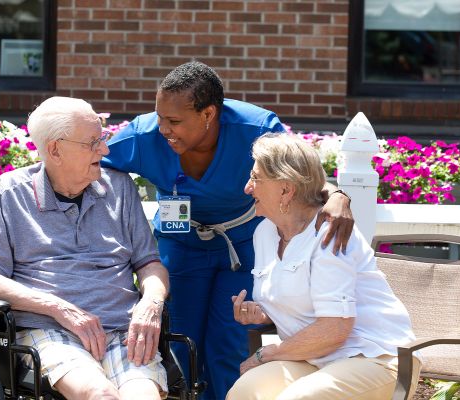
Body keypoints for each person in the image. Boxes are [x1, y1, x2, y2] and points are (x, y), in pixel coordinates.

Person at [101, 61, 354, 399]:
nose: (164, 129)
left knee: (227, 343)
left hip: (243, 245)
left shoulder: (255, 127)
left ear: (209, 114)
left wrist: (336, 194)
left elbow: (298, 173)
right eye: (160, 116)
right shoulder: (144, 135)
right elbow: (90, 167)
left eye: (175, 121)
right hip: (181, 246)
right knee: (181, 342)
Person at [0, 96, 169, 400]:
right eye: (92, 142)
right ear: (55, 150)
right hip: (51, 333)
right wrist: (59, 308)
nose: (105, 149)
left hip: (124, 333)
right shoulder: (11, 192)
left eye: (103, 138)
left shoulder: (119, 189)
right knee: (100, 395)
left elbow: (149, 263)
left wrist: (151, 304)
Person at [227, 133, 421, 400]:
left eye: (256, 178)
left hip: (376, 358)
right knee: (245, 392)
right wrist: (264, 313)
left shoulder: (330, 232)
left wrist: (267, 353)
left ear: (286, 189)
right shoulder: (264, 233)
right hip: (313, 358)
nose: (248, 188)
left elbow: (334, 329)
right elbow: (301, 298)